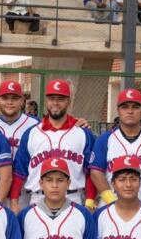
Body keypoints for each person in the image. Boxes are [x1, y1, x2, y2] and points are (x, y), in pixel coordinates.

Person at [10, 79, 95, 211]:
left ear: (68, 101)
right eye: (52, 98)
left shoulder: (83, 133)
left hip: (73, 197)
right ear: (47, 101)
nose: (55, 103)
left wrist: (90, 200)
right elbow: (20, 170)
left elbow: (91, 171)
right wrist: (14, 201)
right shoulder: (32, 133)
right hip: (38, 199)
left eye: (61, 99)